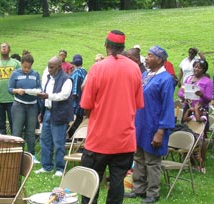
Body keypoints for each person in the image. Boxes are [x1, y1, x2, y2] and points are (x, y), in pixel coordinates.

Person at [80, 30, 144, 204]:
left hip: (98, 140)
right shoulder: (134, 68)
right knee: (117, 186)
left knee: (90, 186)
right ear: (123, 47)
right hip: (124, 140)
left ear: (106, 45)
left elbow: (86, 105)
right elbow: (138, 104)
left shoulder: (98, 68)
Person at [125, 46, 174, 204]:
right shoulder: (145, 75)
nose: (146, 58)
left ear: (160, 60)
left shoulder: (165, 79)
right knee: (139, 158)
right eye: (147, 55)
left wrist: (160, 131)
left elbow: (167, 107)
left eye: (150, 56)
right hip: (140, 123)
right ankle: (139, 188)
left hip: (154, 126)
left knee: (152, 161)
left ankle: (153, 192)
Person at [35, 56, 73, 177]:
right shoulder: (48, 78)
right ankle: (46, 166)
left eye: (51, 67)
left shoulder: (66, 79)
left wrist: (48, 96)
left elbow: (64, 95)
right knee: (45, 140)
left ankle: (60, 168)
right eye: (48, 67)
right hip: (47, 112)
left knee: (58, 142)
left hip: (59, 113)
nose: (49, 69)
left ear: (59, 67)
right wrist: (42, 111)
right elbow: (45, 95)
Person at [178, 58, 213, 173]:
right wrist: (184, 96)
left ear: (204, 70)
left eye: (199, 68)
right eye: (195, 67)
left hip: (200, 110)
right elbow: (180, 92)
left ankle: (201, 163)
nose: (196, 69)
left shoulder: (207, 82)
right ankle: (190, 161)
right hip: (188, 108)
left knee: (200, 136)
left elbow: (209, 99)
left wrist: (201, 94)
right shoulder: (188, 79)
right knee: (187, 132)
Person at [8, 54, 41, 163]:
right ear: (21, 64)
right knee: (17, 130)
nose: (27, 69)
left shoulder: (35, 74)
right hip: (19, 105)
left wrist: (36, 91)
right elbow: (10, 88)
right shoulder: (15, 73)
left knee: (30, 131)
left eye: (29, 67)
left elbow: (40, 88)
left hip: (32, 105)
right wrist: (17, 91)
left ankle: (31, 154)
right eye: (25, 67)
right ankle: (15, 154)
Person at [67, 54, 87, 138]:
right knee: (79, 120)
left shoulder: (76, 73)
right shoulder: (85, 72)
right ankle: (76, 139)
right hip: (83, 103)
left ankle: (71, 139)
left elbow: (74, 92)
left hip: (75, 105)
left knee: (73, 122)